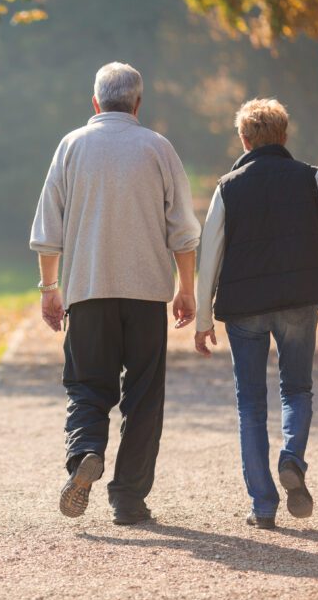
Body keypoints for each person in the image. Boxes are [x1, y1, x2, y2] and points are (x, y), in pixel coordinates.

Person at [30, 62, 201, 525]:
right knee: (144, 397)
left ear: (95, 102)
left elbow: (49, 229)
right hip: (146, 295)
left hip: (88, 292)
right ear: (137, 103)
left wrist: (50, 288)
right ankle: (128, 499)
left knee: (87, 385)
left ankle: (86, 452)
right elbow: (183, 231)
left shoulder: (71, 146)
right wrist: (187, 290)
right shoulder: (158, 148)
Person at [194, 98, 318, 530]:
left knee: (250, 405)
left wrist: (202, 318)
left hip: (244, 307)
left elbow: (209, 252)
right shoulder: (311, 176)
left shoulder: (227, 186)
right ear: (284, 136)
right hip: (299, 299)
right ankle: (292, 460)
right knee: (297, 390)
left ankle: (263, 506)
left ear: (244, 139)